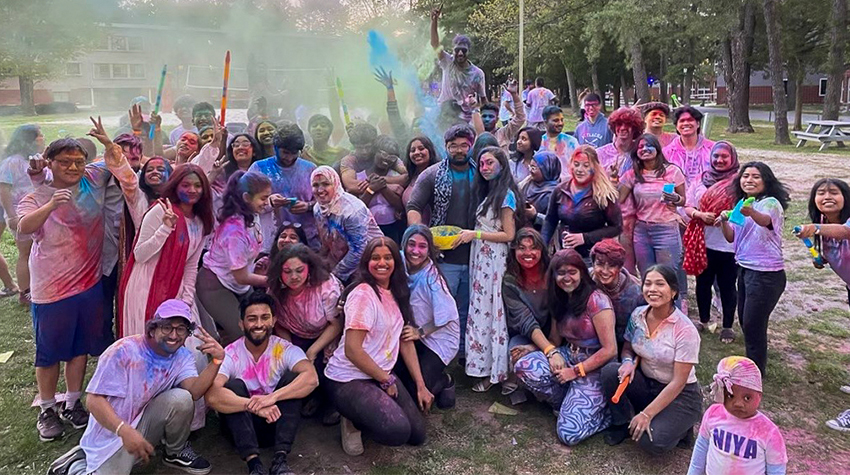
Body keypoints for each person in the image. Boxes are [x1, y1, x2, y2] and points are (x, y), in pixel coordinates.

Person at [19, 121, 137, 442]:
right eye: (64, 162)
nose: (73, 167)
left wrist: (109, 141)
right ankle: (47, 409)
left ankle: (72, 403)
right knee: (49, 353)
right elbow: (24, 227)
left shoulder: (94, 178)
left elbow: (119, 163)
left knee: (80, 349)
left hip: (88, 284)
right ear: (50, 163)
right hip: (50, 290)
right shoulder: (37, 193)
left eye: (78, 160)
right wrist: (50, 203)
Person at [50, 299, 221, 475]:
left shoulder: (182, 356)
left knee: (182, 398)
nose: (174, 335)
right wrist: (123, 431)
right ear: (153, 328)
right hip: (111, 432)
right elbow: (93, 401)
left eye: (181, 329)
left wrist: (217, 361)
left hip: (142, 423)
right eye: (167, 327)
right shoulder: (123, 350)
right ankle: (74, 465)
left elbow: (193, 392)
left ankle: (174, 452)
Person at [324, 237, 430, 456]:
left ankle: (368, 410)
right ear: (366, 263)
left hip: (380, 372)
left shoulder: (397, 291)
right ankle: (352, 421)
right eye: (375, 258)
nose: (382, 263)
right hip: (348, 377)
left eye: (388, 257)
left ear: (396, 262)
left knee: (417, 435)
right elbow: (352, 350)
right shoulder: (363, 294)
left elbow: (404, 340)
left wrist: (421, 385)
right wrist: (386, 379)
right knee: (397, 431)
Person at [205, 291, 318, 475]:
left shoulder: (284, 348)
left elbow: (311, 378)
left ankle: (280, 461)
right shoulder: (231, 353)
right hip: (240, 428)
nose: (259, 324)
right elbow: (212, 395)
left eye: (264, 317)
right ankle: (254, 465)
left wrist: (272, 398)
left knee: (293, 380)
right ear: (241, 324)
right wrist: (253, 406)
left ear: (273, 321)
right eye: (252, 319)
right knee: (233, 386)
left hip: (275, 423)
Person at [514, 249, 617, 445]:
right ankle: (565, 401)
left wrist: (576, 371)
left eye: (572, 272)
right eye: (561, 273)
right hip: (569, 354)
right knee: (524, 367)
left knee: (568, 435)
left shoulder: (597, 300)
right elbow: (555, 339)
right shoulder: (558, 298)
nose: (566, 278)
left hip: (595, 367)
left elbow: (610, 350)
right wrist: (535, 349)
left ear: (581, 273)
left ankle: (605, 415)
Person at [600, 265, 702, 453]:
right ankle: (621, 423)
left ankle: (682, 428)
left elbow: (679, 382)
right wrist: (628, 363)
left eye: (659, 284)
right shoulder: (638, 315)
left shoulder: (685, 330)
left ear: (673, 291)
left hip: (681, 394)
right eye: (647, 284)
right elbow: (628, 348)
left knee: (650, 441)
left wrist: (647, 414)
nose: (652, 289)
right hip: (647, 384)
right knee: (610, 372)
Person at [117, 164, 214, 338]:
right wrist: (165, 228)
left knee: (183, 341)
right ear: (175, 186)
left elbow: (191, 265)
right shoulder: (159, 211)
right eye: (186, 185)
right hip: (145, 287)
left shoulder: (200, 222)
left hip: (177, 284)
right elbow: (140, 254)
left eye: (198, 186)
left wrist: (187, 300)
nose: (192, 190)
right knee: (150, 341)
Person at [406, 124, 476, 358]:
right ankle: (435, 354)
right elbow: (414, 206)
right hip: (444, 255)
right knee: (441, 307)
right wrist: (421, 238)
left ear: (471, 146)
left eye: (463, 145)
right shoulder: (432, 174)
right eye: (453, 146)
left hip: (477, 254)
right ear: (445, 147)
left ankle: (464, 355)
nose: (458, 150)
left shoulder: (482, 174)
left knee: (468, 309)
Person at [455, 146, 519, 392]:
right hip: (480, 257)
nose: (485, 168)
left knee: (492, 312)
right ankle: (480, 366)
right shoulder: (488, 192)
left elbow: (508, 234)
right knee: (480, 311)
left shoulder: (506, 196)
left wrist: (476, 234)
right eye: (481, 164)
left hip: (494, 258)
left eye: (490, 163)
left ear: (502, 165)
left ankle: (494, 371)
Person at [719, 162, 790, 376]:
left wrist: (750, 212)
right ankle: (752, 365)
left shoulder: (770, 203)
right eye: (745, 176)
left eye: (755, 176)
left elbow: (765, 221)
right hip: (745, 269)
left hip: (767, 273)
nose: (749, 180)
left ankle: (755, 372)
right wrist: (724, 221)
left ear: (766, 181)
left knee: (752, 323)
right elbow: (732, 237)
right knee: (745, 319)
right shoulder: (741, 203)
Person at [267, 243, 343, 424]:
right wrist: (291, 350)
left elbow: (337, 324)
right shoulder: (275, 290)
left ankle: (334, 402)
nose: (294, 277)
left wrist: (313, 351)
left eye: (299, 270)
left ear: (309, 268)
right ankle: (313, 397)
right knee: (288, 363)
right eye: (287, 271)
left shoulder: (326, 286)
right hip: (296, 335)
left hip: (330, 333)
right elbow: (280, 324)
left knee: (330, 365)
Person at [197, 171, 271, 346]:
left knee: (260, 330)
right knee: (245, 335)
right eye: (263, 198)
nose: (266, 203)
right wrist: (274, 281)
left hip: (239, 286)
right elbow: (241, 276)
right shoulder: (234, 231)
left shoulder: (252, 215)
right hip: (215, 285)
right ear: (246, 197)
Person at [619, 134, 688, 308]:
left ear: (657, 149)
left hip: (666, 230)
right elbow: (619, 199)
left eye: (648, 146)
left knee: (668, 278)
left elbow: (683, 200)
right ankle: (651, 316)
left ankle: (675, 318)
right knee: (648, 278)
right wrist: (613, 179)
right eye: (640, 147)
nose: (644, 149)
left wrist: (675, 198)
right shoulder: (632, 175)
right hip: (641, 231)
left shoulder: (672, 171)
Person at [687, 356, 787, 475]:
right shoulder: (713, 414)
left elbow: (776, 467)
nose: (738, 404)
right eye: (731, 396)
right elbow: (702, 447)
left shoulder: (768, 431)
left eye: (747, 398)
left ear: (759, 396)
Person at [682, 141, 740, 340]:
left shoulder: (739, 181)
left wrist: (725, 217)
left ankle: (727, 326)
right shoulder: (701, 178)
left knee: (727, 285)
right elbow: (687, 206)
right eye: (716, 156)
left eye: (725, 156)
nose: (720, 160)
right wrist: (699, 214)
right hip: (703, 242)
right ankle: (704, 320)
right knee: (702, 282)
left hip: (729, 243)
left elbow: (743, 210)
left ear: (732, 158)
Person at [397, 225, 459, 407]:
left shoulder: (433, 279)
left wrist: (420, 332)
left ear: (429, 249)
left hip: (439, 338)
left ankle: (444, 380)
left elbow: (448, 316)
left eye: (422, 246)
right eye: (411, 244)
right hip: (413, 332)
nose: (415, 251)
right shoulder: (400, 261)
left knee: (414, 392)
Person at [541, 146, 622, 263]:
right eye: (576, 164)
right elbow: (550, 221)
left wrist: (584, 238)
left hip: (593, 257)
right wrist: (543, 247)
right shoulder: (560, 190)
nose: (580, 169)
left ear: (594, 167)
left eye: (586, 165)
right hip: (565, 255)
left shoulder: (605, 194)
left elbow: (617, 227)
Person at [249, 123, 318, 250]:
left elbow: (324, 201)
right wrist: (268, 202)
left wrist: (308, 206)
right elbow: (244, 201)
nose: (290, 158)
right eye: (285, 153)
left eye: (294, 153)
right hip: (270, 240)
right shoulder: (259, 168)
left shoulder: (310, 169)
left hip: (307, 239)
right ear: (275, 147)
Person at [503, 228, 554, 395]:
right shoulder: (510, 281)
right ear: (514, 251)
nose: (528, 253)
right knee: (516, 355)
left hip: (557, 334)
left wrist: (550, 348)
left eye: (533, 248)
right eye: (521, 248)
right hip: (526, 334)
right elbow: (525, 321)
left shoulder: (553, 273)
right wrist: (547, 349)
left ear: (542, 250)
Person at [310, 166, 383, 283]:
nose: (320, 190)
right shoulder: (318, 209)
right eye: (315, 185)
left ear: (335, 183)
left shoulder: (353, 211)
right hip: (340, 259)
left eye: (325, 184)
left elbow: (359, 250)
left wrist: (334, 276)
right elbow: (326, 243)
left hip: (368, 262)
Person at [596, 107, 645, 275]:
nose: (623, 128)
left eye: (628, 125)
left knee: (628, 263)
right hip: (604, 215)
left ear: (635, 129)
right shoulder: (600, 154)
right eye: (619, 124)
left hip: (633, 217)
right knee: (605, 258)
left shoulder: (641, 154)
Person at [0, 124, 44, 303]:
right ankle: (25, 293)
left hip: (37, 212)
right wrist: (11, 215)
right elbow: (3, 188)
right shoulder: (12, 162)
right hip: (19, 214)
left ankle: (35, 288)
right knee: (25, 252)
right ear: (28, 140)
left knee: (36, 251)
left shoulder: (35, 158)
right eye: (39, 136)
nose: (42, 138)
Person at [797, 178, 850, 308]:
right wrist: (825, 259)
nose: (827, 197)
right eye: (821, 193)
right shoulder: (823, 221)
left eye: (834, 192)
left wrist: (814, 228)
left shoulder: (820, 227)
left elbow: (845, 232)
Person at [430, 7, 486, 122]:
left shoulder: (478, 73)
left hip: (465, 119)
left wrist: (486, 114)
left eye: (463, 50)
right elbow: (435, 44)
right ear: (453, 50)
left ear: (468, 51)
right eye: (457, 50)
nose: (460, 53)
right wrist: (434, 21)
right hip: (444, 115)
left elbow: (484, 100)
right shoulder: (447, 62)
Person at [590, 239, 645, 353]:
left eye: (611, 266)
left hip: (626, 347)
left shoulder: (636, 292)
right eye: (599, 264)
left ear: (620, 268)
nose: (605, 271)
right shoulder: (586, 281)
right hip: (592, 343)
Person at [356, 135, 406, 243]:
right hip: (367, 230)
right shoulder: (359, 177)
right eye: (383, 154)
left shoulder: (396, 177)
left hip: (392, 228)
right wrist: (371, 189)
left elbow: (400, 205)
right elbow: (357, 207)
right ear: (375, 152)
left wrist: (383, 187)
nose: (386, 159)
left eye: (392, 157)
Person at [340, 123, 407, 197]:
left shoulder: (383, 154)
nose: (364, 151)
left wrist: (382, 180)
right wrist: (387, 186)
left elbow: (407, 175)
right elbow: (351, 185)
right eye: (359, 148)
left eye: (368, 147)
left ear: (374, 143)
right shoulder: (348, 161)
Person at [663, 105, 715, 188]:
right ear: (676, 126)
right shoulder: (667, 153)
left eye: (690, 120)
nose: (686, 123)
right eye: (682, 121)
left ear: (698, 124)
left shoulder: (713, 149)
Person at [472, 80, 526, 151]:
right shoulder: (474, 135)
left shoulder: (504, 133)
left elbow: (520, 118)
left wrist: (514, 95)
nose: (487, 119)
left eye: (491, 116)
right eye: (484, 116)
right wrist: (472, 106)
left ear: (497, 119)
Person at [402, 136, 439, 224]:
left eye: (421, 148)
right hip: (412, 230)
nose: (417, 152)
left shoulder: (438, 175)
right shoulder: (411, 177)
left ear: (430, 151)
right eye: (412, 150)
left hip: (432, 231)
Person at [519, 151, 561, 228]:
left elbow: (559, 224)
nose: (530, 170)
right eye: (530, 166)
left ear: (546, 169)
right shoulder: (528, 182)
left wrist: (536, 216)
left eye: (534, 168)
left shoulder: (558, 193)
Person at [539, 105, 579, 182]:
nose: (560, 123)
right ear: (545, 122)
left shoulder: (571, 141)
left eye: (562, 120)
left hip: (568, 184)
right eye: (556, 120)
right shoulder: (539, 142)